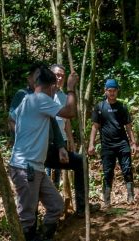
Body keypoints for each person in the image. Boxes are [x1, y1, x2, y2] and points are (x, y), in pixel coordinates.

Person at [9, 66, 78, 241]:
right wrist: (71, 88)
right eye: (54, 88)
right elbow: (70, 112)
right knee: (27, 215)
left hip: (34, 166)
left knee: (55, 205)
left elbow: (14, 120)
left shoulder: (27, 100)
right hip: (26, 166)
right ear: (50, 87)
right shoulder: (40, 100)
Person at [88, 78, 134, 207]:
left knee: (127, 169)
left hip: (122, 144)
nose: (112, 93)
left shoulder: (122, 106)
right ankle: (107, 201)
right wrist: (91, 144)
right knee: (108, 172)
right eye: (110, 91)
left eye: (114, 91)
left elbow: (128, 126)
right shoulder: (99, 107)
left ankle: (131, 197)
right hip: (107, 145)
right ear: (105, 91)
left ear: (117, 91)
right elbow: (95, 126)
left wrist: (133, 143)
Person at [49, 65, 87, 217]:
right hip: (44, 145)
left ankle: (81, 208)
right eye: (56, 75)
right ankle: (53, 209)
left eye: (62, 76)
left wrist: (70, 139)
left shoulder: (64, 97)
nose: (59, 78)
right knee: (49, 177)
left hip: (61, 142)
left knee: (75, 164)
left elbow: (67, 118)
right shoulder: (44, 95)